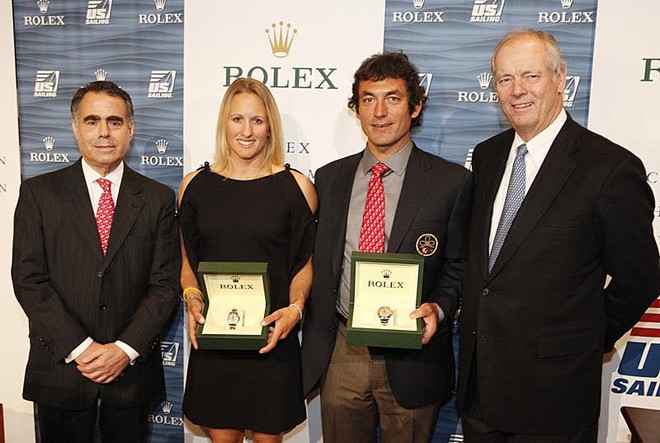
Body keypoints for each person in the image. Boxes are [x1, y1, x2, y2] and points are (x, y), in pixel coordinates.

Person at [457, 29, 660, 442]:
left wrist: (586, 339)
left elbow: (639, 278)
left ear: (560, 78)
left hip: (555, 397)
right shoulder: (487, 155)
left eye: (530, 76)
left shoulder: (609, 169)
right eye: (504, 79)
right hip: (480, 391)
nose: (516, 91)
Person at [301, 52, 472, 443]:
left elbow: (460, 264)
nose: (379, 112)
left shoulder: (451, 182)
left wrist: (439, 307)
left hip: (413, 354)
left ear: (415, 106)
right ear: (356, 109)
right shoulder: (329, 179)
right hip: (343, 351)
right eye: (368, 99)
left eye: (392, 98)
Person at [11, 80, 181, 443]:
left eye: (115, 122)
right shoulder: (39, 193)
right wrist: (82, 348)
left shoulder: (158, 199)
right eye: (92, 121)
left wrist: (123, 350)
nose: (104, 132)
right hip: (62, 370)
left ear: (131, 129)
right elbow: (29, 279)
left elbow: (164, 285)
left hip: (129, 373)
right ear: (75, 128)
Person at [179, 78, 317, 443]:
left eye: (257, 120)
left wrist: (296, 308)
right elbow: (187, 261)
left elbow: (304, 263)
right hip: (217, 341)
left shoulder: (298, 188)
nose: (247, 131)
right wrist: (192, 296)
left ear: (270, 126)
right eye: (237, 119)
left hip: (273, 338)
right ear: (224, 123)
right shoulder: (194, 185)